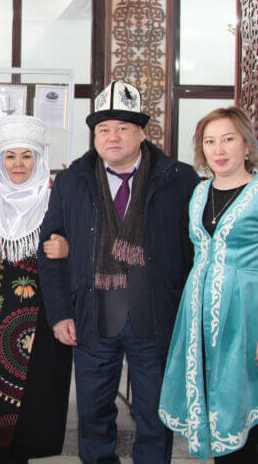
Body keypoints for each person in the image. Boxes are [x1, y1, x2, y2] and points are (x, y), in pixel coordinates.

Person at [38, 81, 199, 464]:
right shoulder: (73, 180)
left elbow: (194, 251)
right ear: (94, 136)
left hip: (156, 316)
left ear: (142, 133)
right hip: (92, 315)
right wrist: (60, 314)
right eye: (104, 129)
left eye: (123, 128)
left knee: (154, 414)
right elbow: (51, 250)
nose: (113, 137)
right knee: (93, 412)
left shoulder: (179, 179)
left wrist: (188, 314)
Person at [0, 115, 73, 463]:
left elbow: (80, 245)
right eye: (10, 156)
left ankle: (26, 451)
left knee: (36, 389)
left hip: (40, 313)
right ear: (0, 161)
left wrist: (68, 249)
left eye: (26, 156)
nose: (18, 164)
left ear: (38, 160)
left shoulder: (56, 201)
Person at [159, 106, 258, 463]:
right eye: (210, 141)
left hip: (247, 314)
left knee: (243, 399)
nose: (219, 149)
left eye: (228, 139)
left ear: (246, 144)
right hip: (199, 314)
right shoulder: (200, 192)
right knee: (212, 397)